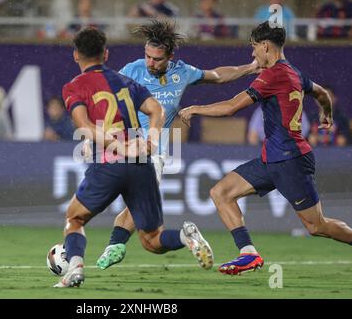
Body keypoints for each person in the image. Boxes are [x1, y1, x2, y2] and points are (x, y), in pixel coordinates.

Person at [179, 21, 352, 276]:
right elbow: (321, 93)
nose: (252, 54)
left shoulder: (273, 75)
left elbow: (231, 107)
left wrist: (195, 108)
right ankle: (248, 254)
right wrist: (326, 115)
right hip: (271, 159)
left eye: (254, 48)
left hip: (290, 160)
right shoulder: (293, 72)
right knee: (221, 192)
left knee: (317, 227)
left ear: (265, 46)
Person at [54, 27, 214, 288]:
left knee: (75, 218)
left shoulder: (74, 86)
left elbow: (84, 126)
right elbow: (156, 110)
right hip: (142, 165)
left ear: (75, 55)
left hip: (109, 164)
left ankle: (75, 269)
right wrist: (150, 140)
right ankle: (185, 237)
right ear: (105, 54)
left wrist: (119, 147)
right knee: (152, 239)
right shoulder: (124, 81)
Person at [96, 19, 260, 271]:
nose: (150, 63)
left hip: (153, 154)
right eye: (148, 56)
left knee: (137, 211)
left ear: (170, 56)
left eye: (157, 59)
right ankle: (125, 243)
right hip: (126, 149)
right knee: (148, 236)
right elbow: (105, 93)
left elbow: (217, 76)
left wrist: (250, 67)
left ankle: (115, 245)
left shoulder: (182, 72)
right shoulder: (133, 70)